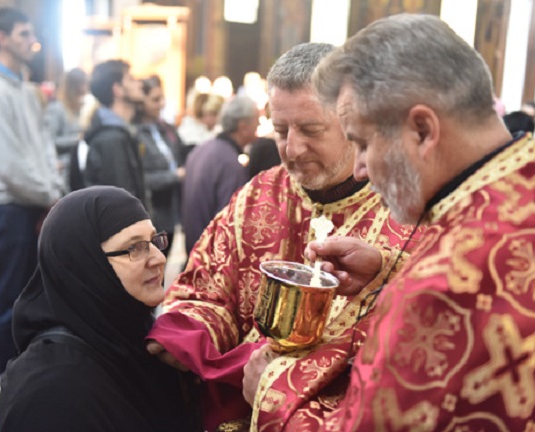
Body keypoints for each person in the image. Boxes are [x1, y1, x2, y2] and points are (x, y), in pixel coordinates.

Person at [307, 13, 535, 431]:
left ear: (422, 130)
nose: (359, 169)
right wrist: (387, 270)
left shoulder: (438, 286)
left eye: (361, 143)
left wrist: (273, 394)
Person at [146, 43, 423, 431]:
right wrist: (190, 334)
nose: (292, 148)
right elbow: (207, 288)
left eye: (311, 130)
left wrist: (285, 382)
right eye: (279, 130)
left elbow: (424, 332)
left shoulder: (408, 206)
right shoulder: (259, 194)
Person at [0, 186, 197, 432]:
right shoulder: (51, 396)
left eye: (154, 241)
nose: (159, 258)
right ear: (86, 264)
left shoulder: (139, 340)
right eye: (134, 247)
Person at [0, 7, 63, 410]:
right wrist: (47, 193)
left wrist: (52, 187)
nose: (31, 40)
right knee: (2, 295)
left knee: (24, 296)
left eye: (31, 33)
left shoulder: (21, 84)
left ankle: (9, 370)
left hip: (32, 201)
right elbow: (8, 162)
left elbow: (40, 146)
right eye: (23, 34)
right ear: (1, 38)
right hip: (7, 204)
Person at [181, 95, 256, 255]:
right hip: (211, 255)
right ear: (243, 126)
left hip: (194, 249)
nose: (258, 125)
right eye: (256, 120)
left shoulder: (201, 149)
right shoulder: (229, 163)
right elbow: (229, 223)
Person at [76, 60, 147, 207]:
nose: (140, 84)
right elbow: (121, 204)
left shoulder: (118, 132)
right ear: (117, 90)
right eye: (131, 79)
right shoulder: (111, 139)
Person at [137, 75, 185, 254]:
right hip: (151, 213)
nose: (161, 104)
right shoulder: (134, 134)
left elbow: (180, 155)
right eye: (155, 100)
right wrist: (174, 176)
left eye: (162, 98)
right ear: (141, 102)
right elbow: (140, 179)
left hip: (170, 211)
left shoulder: (165, 128)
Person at [45, 67, 89, 193]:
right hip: (63, 171)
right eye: (85, 84)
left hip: (76, 168)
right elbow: (49, 140)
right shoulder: (57, 109)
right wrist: (77, 139)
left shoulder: (77, 109)